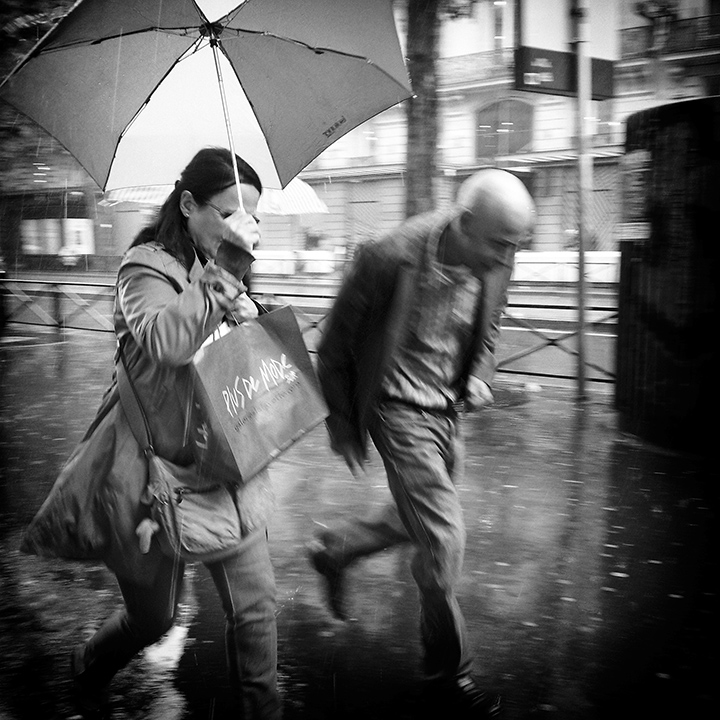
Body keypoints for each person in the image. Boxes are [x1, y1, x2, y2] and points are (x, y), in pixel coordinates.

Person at [21, 148, 282, 719]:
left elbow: (240, 367)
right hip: (152, 478)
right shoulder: (142, 270)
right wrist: (228, 270)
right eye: (230, 212)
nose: (245, 227)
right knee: (153, 618)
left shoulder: (231, 275)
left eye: (254, 218)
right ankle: (90, 664)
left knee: (257, 610)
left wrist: (255, 318)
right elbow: (168, 344)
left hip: (228, 468)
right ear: (188, 205)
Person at [308, 168, 536, 718]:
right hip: (394, 409)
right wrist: (341, 424)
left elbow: (491, 321)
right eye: (500, 245)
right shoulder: (388, 257)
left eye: (515, 247)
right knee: (442, 539)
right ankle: (446, 675)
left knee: (415, 519)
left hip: (447, 409)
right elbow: (334, 344)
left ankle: (334, 552)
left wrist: (480, 372)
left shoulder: (496, 257)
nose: (506, 258)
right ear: (464, 223)